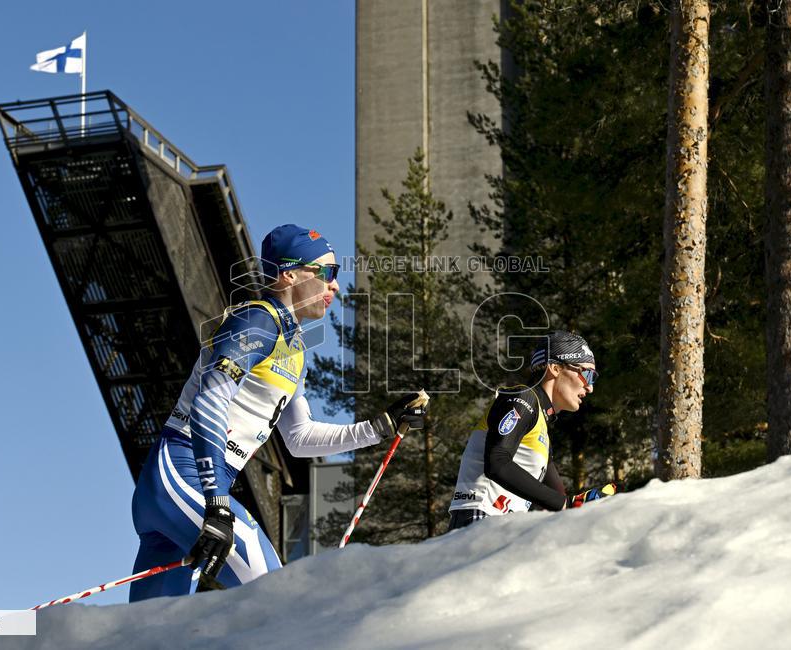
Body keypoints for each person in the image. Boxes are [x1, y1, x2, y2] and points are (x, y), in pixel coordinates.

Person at [129, 224, 426, 600]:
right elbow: (209, 401)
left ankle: (29, 634)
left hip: (187, 482)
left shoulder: (293, 347)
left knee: (149, 634)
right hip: (183, 473)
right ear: (289, 274)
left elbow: (299, 438)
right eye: (328, 274)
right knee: (279, 595)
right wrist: (217, 501)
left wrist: (379, 427)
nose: (335, 286)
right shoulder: (258, 320)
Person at [447, 330, 615, 530]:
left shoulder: (541, 430)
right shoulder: (522, 398)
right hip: (479, 517)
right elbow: (497, 462)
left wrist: (584, 503)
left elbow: (561, 502)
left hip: (501, 525)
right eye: (588, 375)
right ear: (555, 368)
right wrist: (567, 504)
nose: (590, 388)